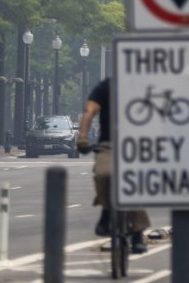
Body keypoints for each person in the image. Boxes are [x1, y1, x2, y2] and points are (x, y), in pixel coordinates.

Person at [76, 77, 150, 253]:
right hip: (109, 144)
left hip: (137, 145)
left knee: (133, 184)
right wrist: (83, 137)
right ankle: (106, 211)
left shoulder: (146, 86)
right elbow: (89, 110)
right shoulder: (107, 86)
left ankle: (138, 234)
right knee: (102, 173)